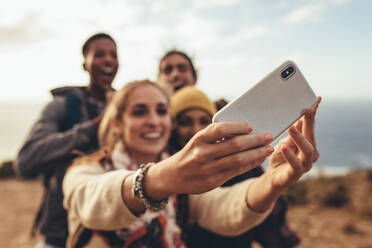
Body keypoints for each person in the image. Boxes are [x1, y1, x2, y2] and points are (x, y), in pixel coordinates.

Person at [62, 79, 320, 247]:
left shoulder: (179, 185)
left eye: (162, 111)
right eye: (140, 111)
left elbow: (223, 207)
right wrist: (159, 179)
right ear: (117, 123)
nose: (154, 121)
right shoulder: (85, 171)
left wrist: (272, 182)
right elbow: (90, 200)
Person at [13, 33, 119, 248]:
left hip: (114, 237)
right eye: (99, 54)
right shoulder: (62, 106)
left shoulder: (128, 107)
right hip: (60, 236)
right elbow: (25, 161)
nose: (108, 59)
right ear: (85, 65)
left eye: (113, 55)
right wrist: (92, 129)